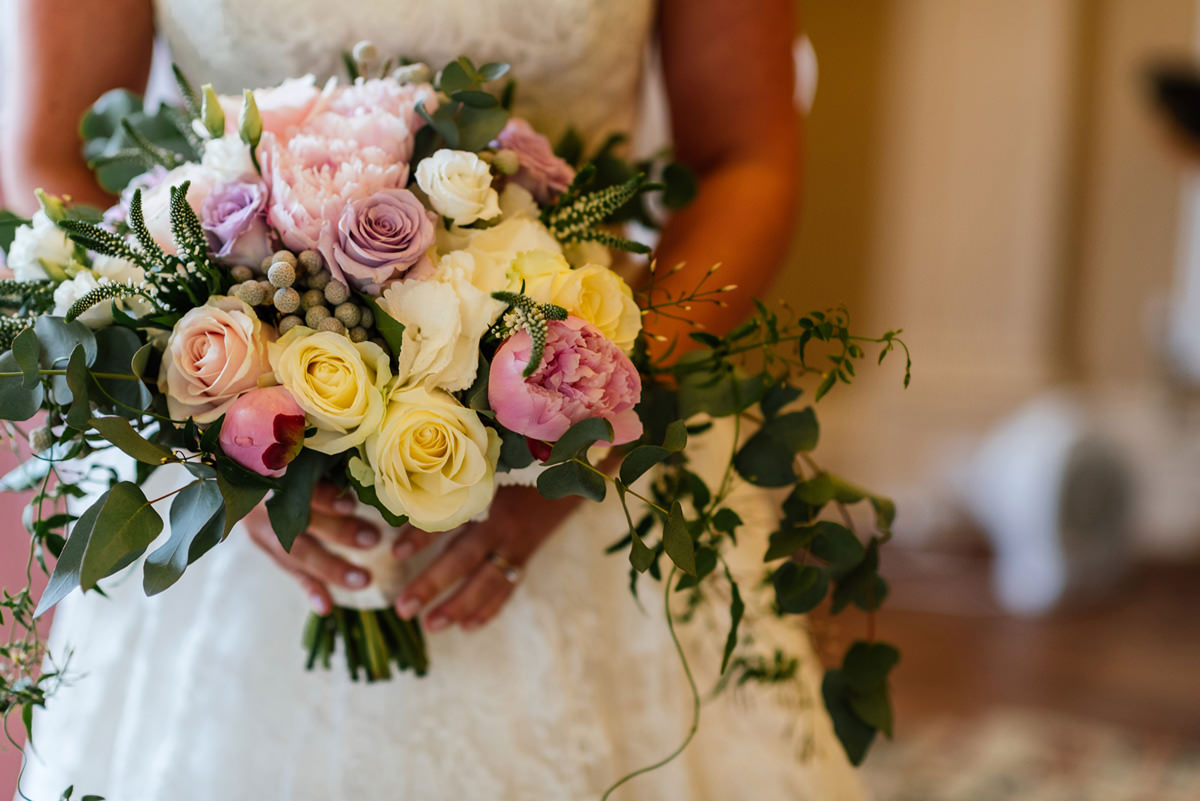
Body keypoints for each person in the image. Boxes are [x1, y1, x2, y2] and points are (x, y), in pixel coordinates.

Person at [3, 1, 864, 798]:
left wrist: (587, 430)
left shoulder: (590, 431)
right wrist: (224, 441)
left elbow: (743, 158)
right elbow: (50, 154)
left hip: (589, 431)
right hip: (227, 460)